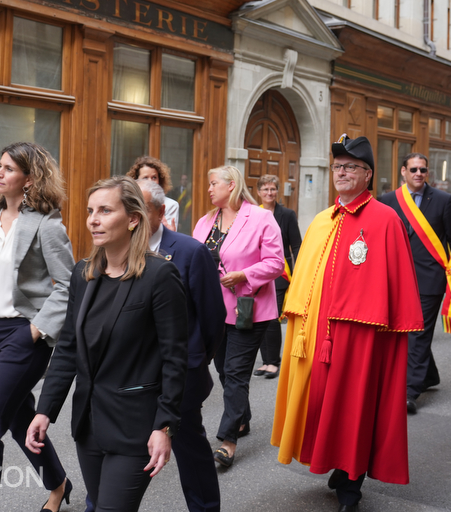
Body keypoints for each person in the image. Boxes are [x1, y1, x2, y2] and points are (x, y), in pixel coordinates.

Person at [272, 135, 422, 511]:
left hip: (362, 336)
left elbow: (397, 285)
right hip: (317, 334)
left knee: (354, 405)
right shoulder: (322, 220)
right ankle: (335, 464)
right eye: (338, 167)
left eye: (350, 167)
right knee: (323, 403)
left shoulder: (386, 219)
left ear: (367, 174)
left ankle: (351, 482)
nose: (341, 172)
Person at [27, 177, 187, 512]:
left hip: (136, 428)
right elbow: (68, 347)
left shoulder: (159, 276)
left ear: (133, 219)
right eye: (90, 211)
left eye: (105, 211)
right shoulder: (83, 274)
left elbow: (175, 358)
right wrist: (45, 410)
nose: (93, 220)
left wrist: (164, 426)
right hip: (89, 426)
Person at [0, 142, 75, 512]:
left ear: (29, 179)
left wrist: (36, 331)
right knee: (19, 417)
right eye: (0, 166)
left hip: (23, 336)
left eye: (8, 168)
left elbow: (68, 286)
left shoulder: (46, 224)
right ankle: (58, 483)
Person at [139, 179, 224, 512]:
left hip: (181, 373)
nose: (133, 216)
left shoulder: (190, 251)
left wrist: (196, 358)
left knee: (189, 445)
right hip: (135, 373)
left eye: (142, 208)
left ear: (161, 211)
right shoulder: (116, 249)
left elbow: (212, 315)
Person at [193, 165, 284, 468]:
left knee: (235, 373)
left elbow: (276, 263)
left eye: (213, 183)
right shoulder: (205, 222)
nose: (209, 189)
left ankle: (228, 440)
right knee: (222, 368)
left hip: (249, 309)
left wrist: (244, 274)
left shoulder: (260, 218)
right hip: (214, 311)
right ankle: (242, 417)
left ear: (231, 185)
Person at [378, 153, 451, 415]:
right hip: (397, 278)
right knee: (403, 330)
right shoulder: (387, 201)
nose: (418, 174)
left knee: (419, 332)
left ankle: (410, 391)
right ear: (403, 171)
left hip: (430, 279)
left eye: (423, 170)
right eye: (413, 169)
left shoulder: (444, 200)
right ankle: (429, 374)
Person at [255, 174, 303, 379]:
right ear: (259, 192)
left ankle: (274, 362)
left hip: (280, 273)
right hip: (258, 272)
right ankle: (266, 361)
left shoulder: (287, 215)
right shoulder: (253, 213)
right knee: (259, 317)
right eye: (265, 189)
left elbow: (297, 245)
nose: (269, 193)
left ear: (277, 191)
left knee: (273, 318)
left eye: (273, 189)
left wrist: (300, 270)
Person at [128, 156, 180, 230]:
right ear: (136, 181)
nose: (150, 181)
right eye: (145, 178)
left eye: (154, 177)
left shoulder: (170, 205)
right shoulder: (129, 203)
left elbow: (168, 231)